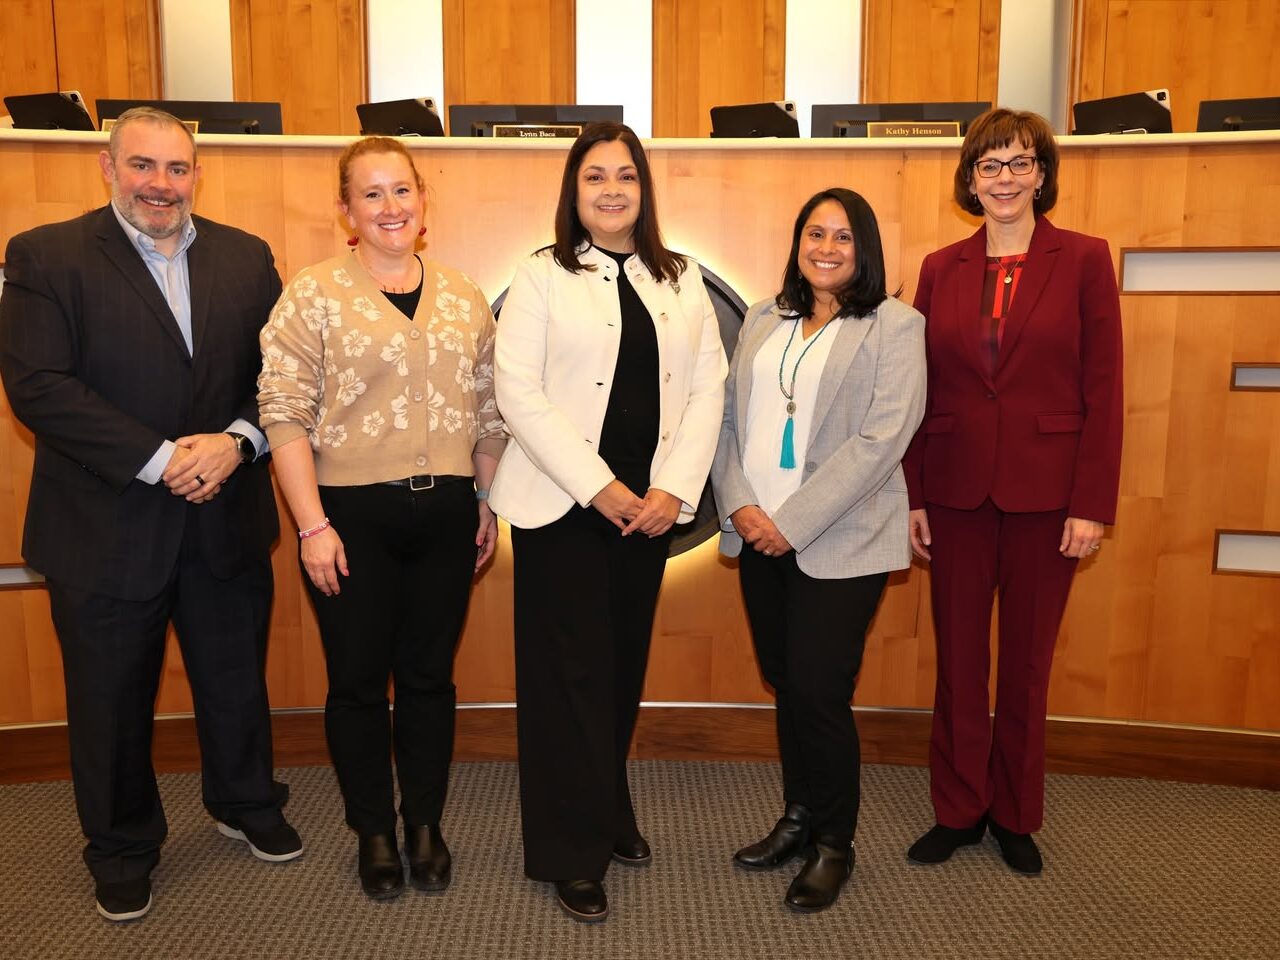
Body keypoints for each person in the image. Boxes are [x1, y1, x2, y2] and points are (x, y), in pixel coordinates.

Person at [0, 107, 300, 922]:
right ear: (108, 167)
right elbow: (39, 388)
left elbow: (275, 381)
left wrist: (236, 444)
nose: (159, 185)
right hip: (105, 525)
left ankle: (246, 802)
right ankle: (123, 846)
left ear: (197, 174)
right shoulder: (45, 256)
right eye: (142, 166)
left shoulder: (247, 258)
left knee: (236, 681)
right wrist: (167, 458)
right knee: (109, 700)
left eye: (176, 169)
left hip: (224, 517)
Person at [488, 121, 726, 923]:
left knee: (619, 669)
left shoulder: (682, 277)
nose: (612, 190)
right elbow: (518, 393)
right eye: (596, 177)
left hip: (650, 514)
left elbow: (707, 390)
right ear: (574, 190)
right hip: (564, 509)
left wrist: (672, 492)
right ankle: (568, 849)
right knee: (566, 682)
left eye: (625, 175)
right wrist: (601, 489)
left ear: (643, 188)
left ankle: (607, 808)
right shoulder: (541, 276)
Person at [257, 136, 504, 901]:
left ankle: (424, 823)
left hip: (448, 518)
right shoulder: (313, 293)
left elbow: (491, 412)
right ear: (346, 210)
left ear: (423, 201)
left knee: (430, 680)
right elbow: (283, 415)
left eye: (402, 190)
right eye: (371, 194)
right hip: (348, 520)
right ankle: (373, 830)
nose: (390, 207)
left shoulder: (463, 295)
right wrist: (310, 527)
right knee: (359, 683)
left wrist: (487, 502)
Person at [903, 108, 1123, 875]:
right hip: (957, 493)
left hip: (1050, 497)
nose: (1004, 178)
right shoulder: (941, 268)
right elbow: (917, 391)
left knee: (1027, 665)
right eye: (990, 165)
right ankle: (958, 810)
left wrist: (1093, 502)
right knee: (960, 661)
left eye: (1019, 163)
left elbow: (1105, 388)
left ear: (1041, 174)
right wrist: (914, 495)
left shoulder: (1086, 259)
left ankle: (1016, 813)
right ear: (969, 179)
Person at [711, 188, 926, 911]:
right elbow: (728, 417)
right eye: (814, 234)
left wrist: (791, 521)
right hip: (757, 531)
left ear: (863, 248)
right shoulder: (766, 317)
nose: (827, 249)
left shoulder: (896, 326)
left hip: (841, 541)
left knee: (819, 692)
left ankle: (835, 842)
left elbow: (881, 440)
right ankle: (797, 819)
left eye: (842, 237)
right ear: (798, 243)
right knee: (787, 682)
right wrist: (740, 504)